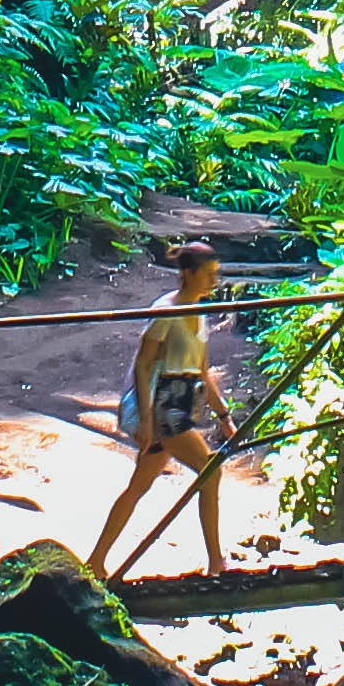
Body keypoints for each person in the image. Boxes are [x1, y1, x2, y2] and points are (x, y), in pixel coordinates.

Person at [84, 238, 243, 582]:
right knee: (210, 471)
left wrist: (224, 415)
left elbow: (202, 370)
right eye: (208, 274)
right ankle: (216, 563)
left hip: (185, 399)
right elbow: (143, 367)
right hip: (165, 405)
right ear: (188, 273)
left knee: (139, 486)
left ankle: (95, 561)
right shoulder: (166, 310)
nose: (214, 281)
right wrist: (145, 419)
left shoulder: (198, 313)